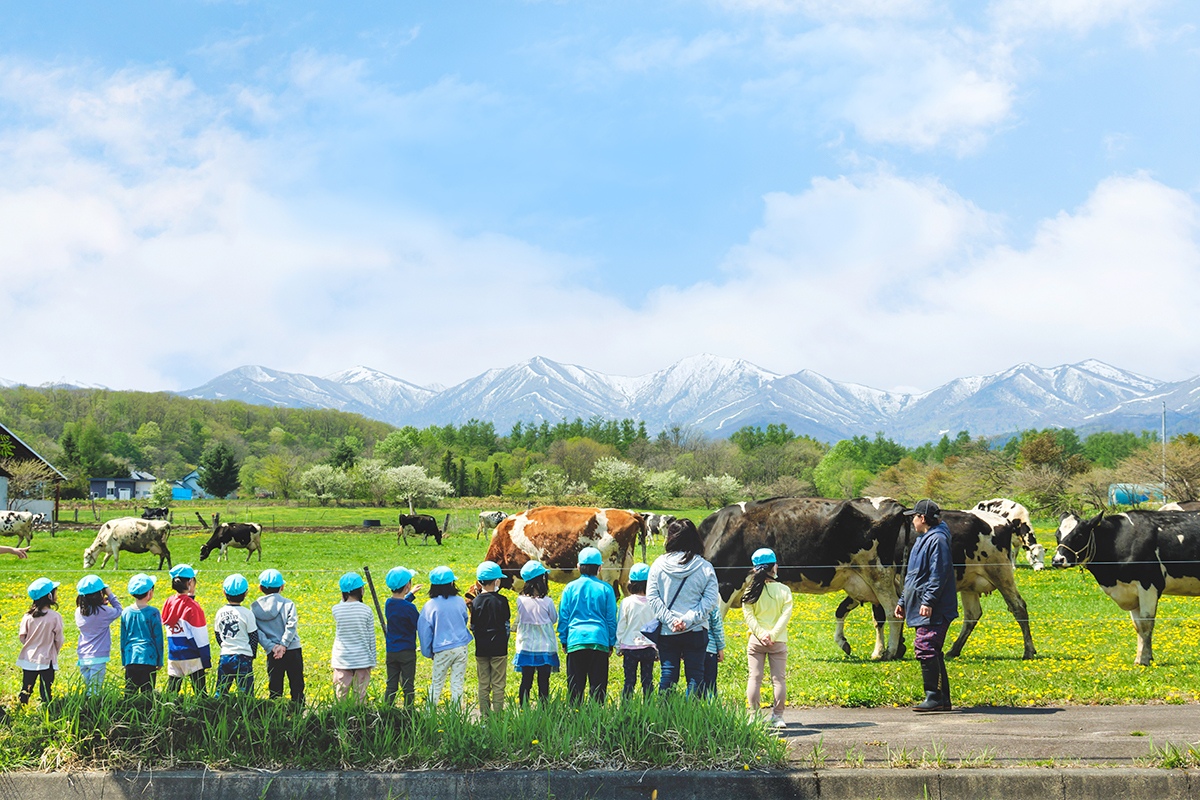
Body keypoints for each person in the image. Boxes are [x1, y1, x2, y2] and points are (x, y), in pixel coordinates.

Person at [894, 499, 957, 712]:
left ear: (922, 518)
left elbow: (939, 573)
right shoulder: (924, 539)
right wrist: (903, 601)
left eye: (914, 516)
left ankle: (934, 697)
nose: (912, 520)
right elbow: (914, 576)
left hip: (935, 607)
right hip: (922, 603)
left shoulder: (937, 540)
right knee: (932, 650)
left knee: (926, 647)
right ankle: (941, 699)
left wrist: (928, 601)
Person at [647, 518, 719, 696]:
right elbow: (710, 600)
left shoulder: (658, 565)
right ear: (695, 537)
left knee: (668, 675)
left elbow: (653, 597)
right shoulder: (705, 567)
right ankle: (691, 719)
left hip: (667, 631)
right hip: (696, 630)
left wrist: (671, 621)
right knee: (695, 677)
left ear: (671, 538)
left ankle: (664, 717)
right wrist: (687, 620)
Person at [557, 547, 618, 704]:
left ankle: (576, 720)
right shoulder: (606, 589)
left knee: (575, 688)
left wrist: (564, 640)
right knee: (598, 688)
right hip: (599, 640)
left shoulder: (569, 588)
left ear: (578, 567)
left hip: (575, 640)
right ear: (600, 568)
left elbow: (564, 617)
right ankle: (596, 721)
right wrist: (611, 642)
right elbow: (611, 619)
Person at [743, 548, 792, 728]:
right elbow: (785, 617)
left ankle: (753, 715)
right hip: (778, 641)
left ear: (755, 569)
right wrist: (772, 635)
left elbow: (749, 617)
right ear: (775, 567)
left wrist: (762, 634)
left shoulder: (750, 592)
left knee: (754, 678)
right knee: (778, 679)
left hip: (756, 640)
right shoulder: (785, 590)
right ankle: (778, 717)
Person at [418, 566, 472, 705]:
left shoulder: (430, 606)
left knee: (436, 683)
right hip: (461, 647)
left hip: (441, 649)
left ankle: (430, 715)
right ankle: (457, 716)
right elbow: (465, 619)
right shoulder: (460, 601)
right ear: (452, 583)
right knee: (457, 683)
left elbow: (424, 631)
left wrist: (427, 652)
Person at [253, 568, 304, 704]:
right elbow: (292, 624)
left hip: (273, 652)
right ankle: (299, 711)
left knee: (275, 685)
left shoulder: (255, 607)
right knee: (296, 683)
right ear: (282, 587)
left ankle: (276, 713)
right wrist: (284, 644)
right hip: (292, 648)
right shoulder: (288, 603)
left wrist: (272, 646)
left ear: (260, 588)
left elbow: (256, 630)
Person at [512, 560, 559, 706]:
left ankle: (523, 708)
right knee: (543, 681)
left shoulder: (520, 600)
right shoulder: (548, 602)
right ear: (543, 579)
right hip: (545, 647)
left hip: (526, 646)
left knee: (526, 681)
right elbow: (554, 619)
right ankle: (544, 709)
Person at [162, 564, 211, 696]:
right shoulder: (193, 607)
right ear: (190, 582)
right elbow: (200, 636)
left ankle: (166, 713)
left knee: (171, 692)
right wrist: (206, 659)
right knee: (200, 693)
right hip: (191, 655)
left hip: (174, 653)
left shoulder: (169, 602)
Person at [470, 560, 511, 717]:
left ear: (479, 582)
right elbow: (506, 625)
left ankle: (485, 716)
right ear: (497, 581)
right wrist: (504, 640)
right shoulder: (502, 601)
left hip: (481, 648)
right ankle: (499, 715)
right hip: (499, 648)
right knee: (499, 683)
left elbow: (473, 626)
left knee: (483, 683)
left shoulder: (476, 601)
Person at [331, 571, 377, 702]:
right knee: (360, 693)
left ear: (343, 592)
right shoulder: (367, 610)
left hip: (342, 659)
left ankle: (340, 717)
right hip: (363, 658)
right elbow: (371, 637)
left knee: (341, 693)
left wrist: (343, 597)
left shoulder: (336, 609)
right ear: (362, 590)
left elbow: (341, 604)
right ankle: (358, 718)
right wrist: (373, 659)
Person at [17, 577, 63, 705]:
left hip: (29, 658)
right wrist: (54, 650)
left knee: (26, 687)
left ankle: (21, 708)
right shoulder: (55, 616)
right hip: (47, 659)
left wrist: (30, 645)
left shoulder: (27, 616)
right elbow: (59, 639)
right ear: (49, 596)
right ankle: (46, 710)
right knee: (46, 688)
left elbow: (22, 636)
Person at [74, 574, 122, 695]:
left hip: (83, 655)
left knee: (87, 685)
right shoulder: (106, 612)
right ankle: (93, 710)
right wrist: (110, 594)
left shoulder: (78, 611)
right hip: (98, 656)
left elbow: (94, 614)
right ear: (100, 594)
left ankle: (85, 707)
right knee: (95, 689)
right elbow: (119, 609)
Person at [615, 562, 657, 698]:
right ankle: (649, 707)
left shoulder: (626, 602)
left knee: (629, 681)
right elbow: (658, 626)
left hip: (629, 646)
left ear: (630, 583)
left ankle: (626, 708)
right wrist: (658, 648)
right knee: (647, 680)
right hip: (649, 647)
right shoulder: (654, 602)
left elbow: (621, 625)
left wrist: (618, 645)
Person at [213, 573, 258, 697]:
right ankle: (245, 713)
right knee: (246, 692)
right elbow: (253, 637)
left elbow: (218, 634)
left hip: (225, 656)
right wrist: (252, 654)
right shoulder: (247, 613)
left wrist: (224, 646)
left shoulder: (220, 612)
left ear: (224, 592)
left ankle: (219, 711)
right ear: (245, 593)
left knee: (221, 690)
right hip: (243, 657)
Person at [383, 566, 421, 707]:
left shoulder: (389, 603)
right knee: (408, 686)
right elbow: (419, 624)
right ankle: (409, 714)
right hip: (407, 652)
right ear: (407, 585)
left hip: (391, 651)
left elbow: (400, 606)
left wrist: (410, 595)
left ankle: (386, 711)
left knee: (391, 684)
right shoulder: (410, 608)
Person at [120, 573, 163, 695]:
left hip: (131, 657)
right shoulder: (154, 612)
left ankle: (127, 713)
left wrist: (124, 660)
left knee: (129, 693)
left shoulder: (126, 612)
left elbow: (123, 638)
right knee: (147, 694)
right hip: (148, 658)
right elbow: (158, 638)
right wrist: (159, 661)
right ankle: (147, 713)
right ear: (150, 592)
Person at [700, 603, 726, 699]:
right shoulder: (712, 606)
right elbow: (717, 629)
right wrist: (720, 648)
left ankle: (692, 706)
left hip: (692, 649)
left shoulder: (691, 602)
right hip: (710, 649)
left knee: (694, 681)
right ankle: (711, 707)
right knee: (710, 681)